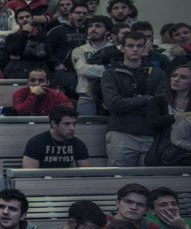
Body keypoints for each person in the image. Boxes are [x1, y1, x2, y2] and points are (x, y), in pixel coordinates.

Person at [101, 30, 166, 166]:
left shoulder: (158, 74)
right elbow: (114, 104)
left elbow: (160, 105)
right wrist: (147, 99)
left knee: (151, 181)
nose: (135, 49)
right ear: (122, 47)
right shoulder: (110, 74)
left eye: (139, 46)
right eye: (130, 46)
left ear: (145, 47)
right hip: (121, 134)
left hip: (150, 135)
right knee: (119, 180)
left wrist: (129, 102)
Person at [145, 61, 191, 166]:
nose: (176, 79)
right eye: (174, 76)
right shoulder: (158, 101)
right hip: (163, 153)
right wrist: (180, 116)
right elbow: (153, 123)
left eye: (183, 77)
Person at [21, 104, 92, 168]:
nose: (72, 128)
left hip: (67, 181)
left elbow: (87, 173)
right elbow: (30, 176)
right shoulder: (36, 143)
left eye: (74, 124)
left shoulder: (78, 143)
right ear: (53, 124)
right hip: (43, 181)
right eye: (67, 124)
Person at [71, 16, 111, 115]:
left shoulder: (115, 49)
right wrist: (107, 69)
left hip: (110, 96)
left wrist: (91, 69)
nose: (93, 29)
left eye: (98, 26)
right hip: (86, 96)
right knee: (85, 129)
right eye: (90, 26)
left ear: (107, 31)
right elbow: (82, 70)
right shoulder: (79, 50)